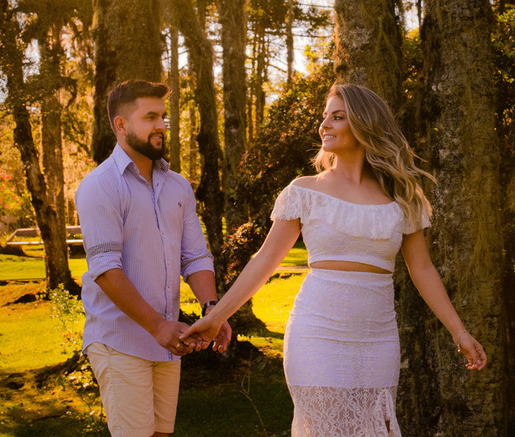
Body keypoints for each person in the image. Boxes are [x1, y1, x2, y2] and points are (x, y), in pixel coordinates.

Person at [184, 83, 487, 436]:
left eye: (337, 117)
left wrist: (459, 332)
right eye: (325, 117)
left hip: (378, 340)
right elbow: (265, 260)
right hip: (316, 333)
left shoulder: (403, 197)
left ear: (365, 123)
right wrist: (216, 315)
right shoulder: (304, 191)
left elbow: (422, 269)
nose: (324, 125)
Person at [76, 79, 232, 437]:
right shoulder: (100, 186)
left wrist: (212, 310)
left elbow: (195, 257)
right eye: (150, 117)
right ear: (121, 125)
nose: (162, 125)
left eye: (163, 117)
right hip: (120, 340)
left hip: (167, 344)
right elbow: (105, 269)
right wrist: (159, 327)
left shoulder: (177, 185)